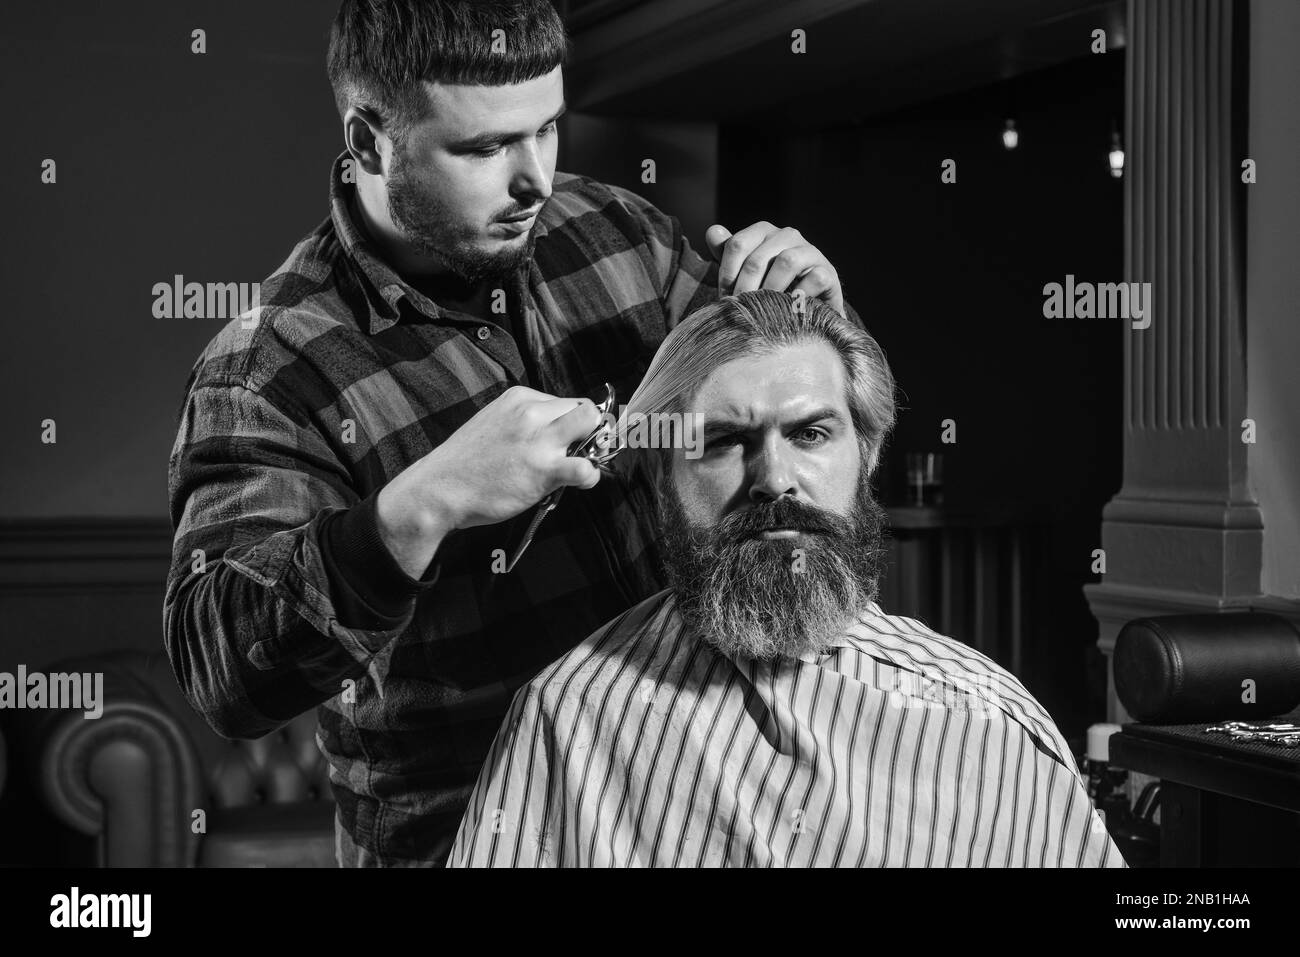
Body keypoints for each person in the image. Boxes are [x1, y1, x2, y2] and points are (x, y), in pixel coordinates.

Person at [163, 0, 857, 867]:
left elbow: (775, 424)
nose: (534, 179)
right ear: (370, 142)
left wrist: (805, 310)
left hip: (698, 808)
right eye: (486, 148)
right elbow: (224, 673)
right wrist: (422, 505)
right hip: (474, 839)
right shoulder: (267, 366)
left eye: (548, 130)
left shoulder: (618, 233)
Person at [449, 290, 1127, 868]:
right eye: (721, 442)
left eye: (808, 434)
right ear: (661, 477)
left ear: (865, 456)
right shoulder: (565, 719)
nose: (774, 479)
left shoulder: (987, 722)